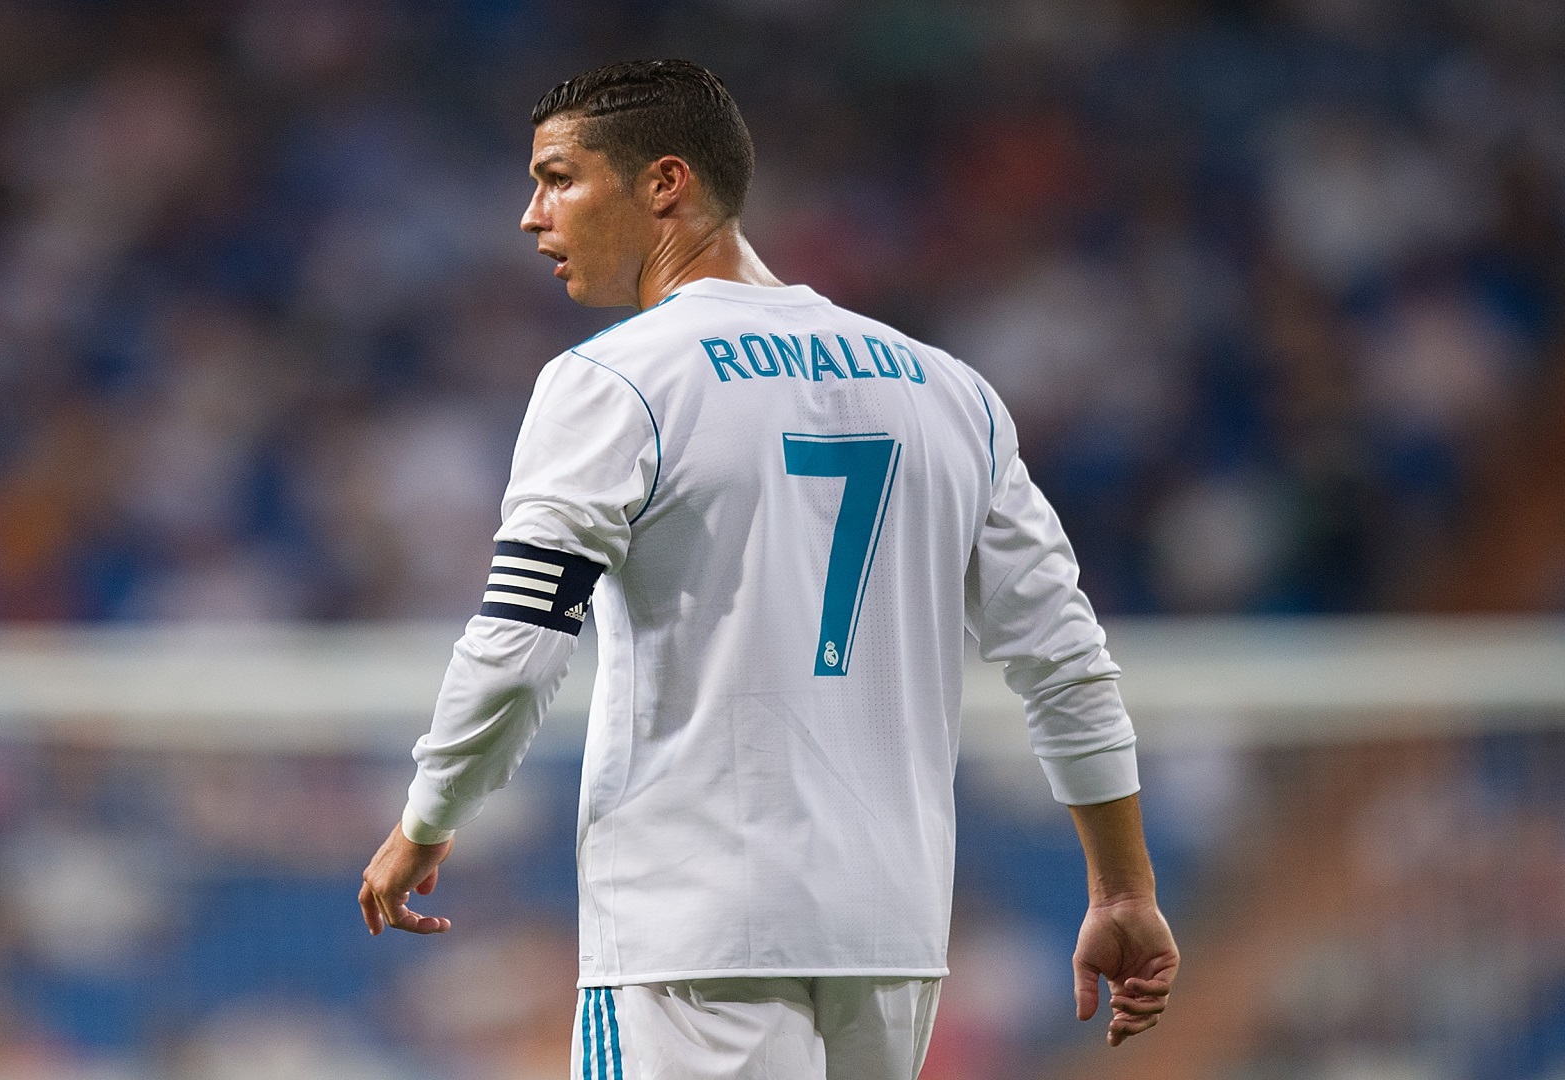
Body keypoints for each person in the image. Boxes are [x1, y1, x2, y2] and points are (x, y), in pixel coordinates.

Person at [359, 59, 1177, 1079]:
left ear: (665, 184)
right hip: (892, 936)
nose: (532, 216)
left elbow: (521, 642)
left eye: (559, 178)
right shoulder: (948, 391)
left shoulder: (616, 380)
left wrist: (428, 814)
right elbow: (1063, 659)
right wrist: (1121, 891)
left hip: (692, 928)